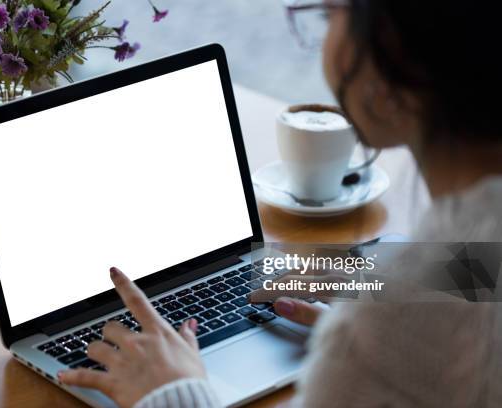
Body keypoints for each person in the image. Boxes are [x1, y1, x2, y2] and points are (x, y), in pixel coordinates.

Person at [57, 1, 502, 406]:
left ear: (393, 53)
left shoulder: (376, 335)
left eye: (329, 14)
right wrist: (381, 273)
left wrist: (174, 392)